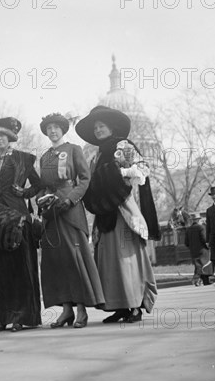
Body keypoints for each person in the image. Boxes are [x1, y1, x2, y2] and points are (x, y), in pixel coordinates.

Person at [76, 106, 160, 324]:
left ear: (110, 126)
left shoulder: (122, 145)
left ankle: (135, 306)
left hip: (122, 209)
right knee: (109, 258)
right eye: (95, 128)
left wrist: (120, 173)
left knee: (126, 257)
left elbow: (142, 168)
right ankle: (120, 306)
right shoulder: (96, 155)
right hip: (104, 213)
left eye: (101, 126)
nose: (98, 130)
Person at [37, 113, 105, 329]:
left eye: (56, 128)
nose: (53, 131)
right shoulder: (45, 157)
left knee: (75, 258)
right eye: (49, 129)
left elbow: (85, 179)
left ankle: (82, 309)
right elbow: (43, 186)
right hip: (51, 214)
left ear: (63, 130)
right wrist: (42, 201)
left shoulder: (74, 150)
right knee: (57, 261)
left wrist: (71, 199)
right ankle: (66, 310)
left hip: (70, 210)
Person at [0, 117, 42, 332]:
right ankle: (1, 317)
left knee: (20, 265)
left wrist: (25, 193)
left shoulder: (23, 159)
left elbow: (39, 184)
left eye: (2, 135)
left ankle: (22, 316)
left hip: (17, 216)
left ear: (10, 138)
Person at [185, 212, 210, 286]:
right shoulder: (201, 227)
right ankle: (203, 281)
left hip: (193, 251)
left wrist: (192, 247)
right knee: (204, 265)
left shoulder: (188, 229)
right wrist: (208, 246)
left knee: (198, 266)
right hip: (203, 250)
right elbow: (204, 239)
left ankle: (200, 281)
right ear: (198, 220)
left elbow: (186, 242)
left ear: (192, 220)